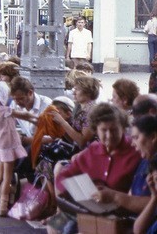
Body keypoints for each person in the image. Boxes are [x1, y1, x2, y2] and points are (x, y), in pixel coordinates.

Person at [48, 103, 141, 234]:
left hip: (120, 213)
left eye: (114, 130)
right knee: (54, 225)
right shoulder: (93, 150)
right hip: (86, 208)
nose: (109, 135)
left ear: (123, 128)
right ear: (96, 130)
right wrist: (80, 192)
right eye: (104, 130)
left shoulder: (136, 151)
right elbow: (64, 176)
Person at [93, 115, 157, 217]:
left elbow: (153, 205)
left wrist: (114, 196)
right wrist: (106, 196)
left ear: (153, 137)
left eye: (136, 138)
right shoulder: (144, 162)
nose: (133, 144)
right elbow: (131, 199)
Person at [0, 81, 28, 216]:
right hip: (8, 145)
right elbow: (25, 116)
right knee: (7, 177)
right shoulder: (5, 110)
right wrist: (36, 118)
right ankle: (3, 206)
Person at [51, 75, 100, 148]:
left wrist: (62, 122)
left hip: (90, 154)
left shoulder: (91, 112)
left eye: (77, 89)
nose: (74, 93)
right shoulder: (82, 109)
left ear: (88, 92)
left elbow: (82, 142)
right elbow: (73, 140)